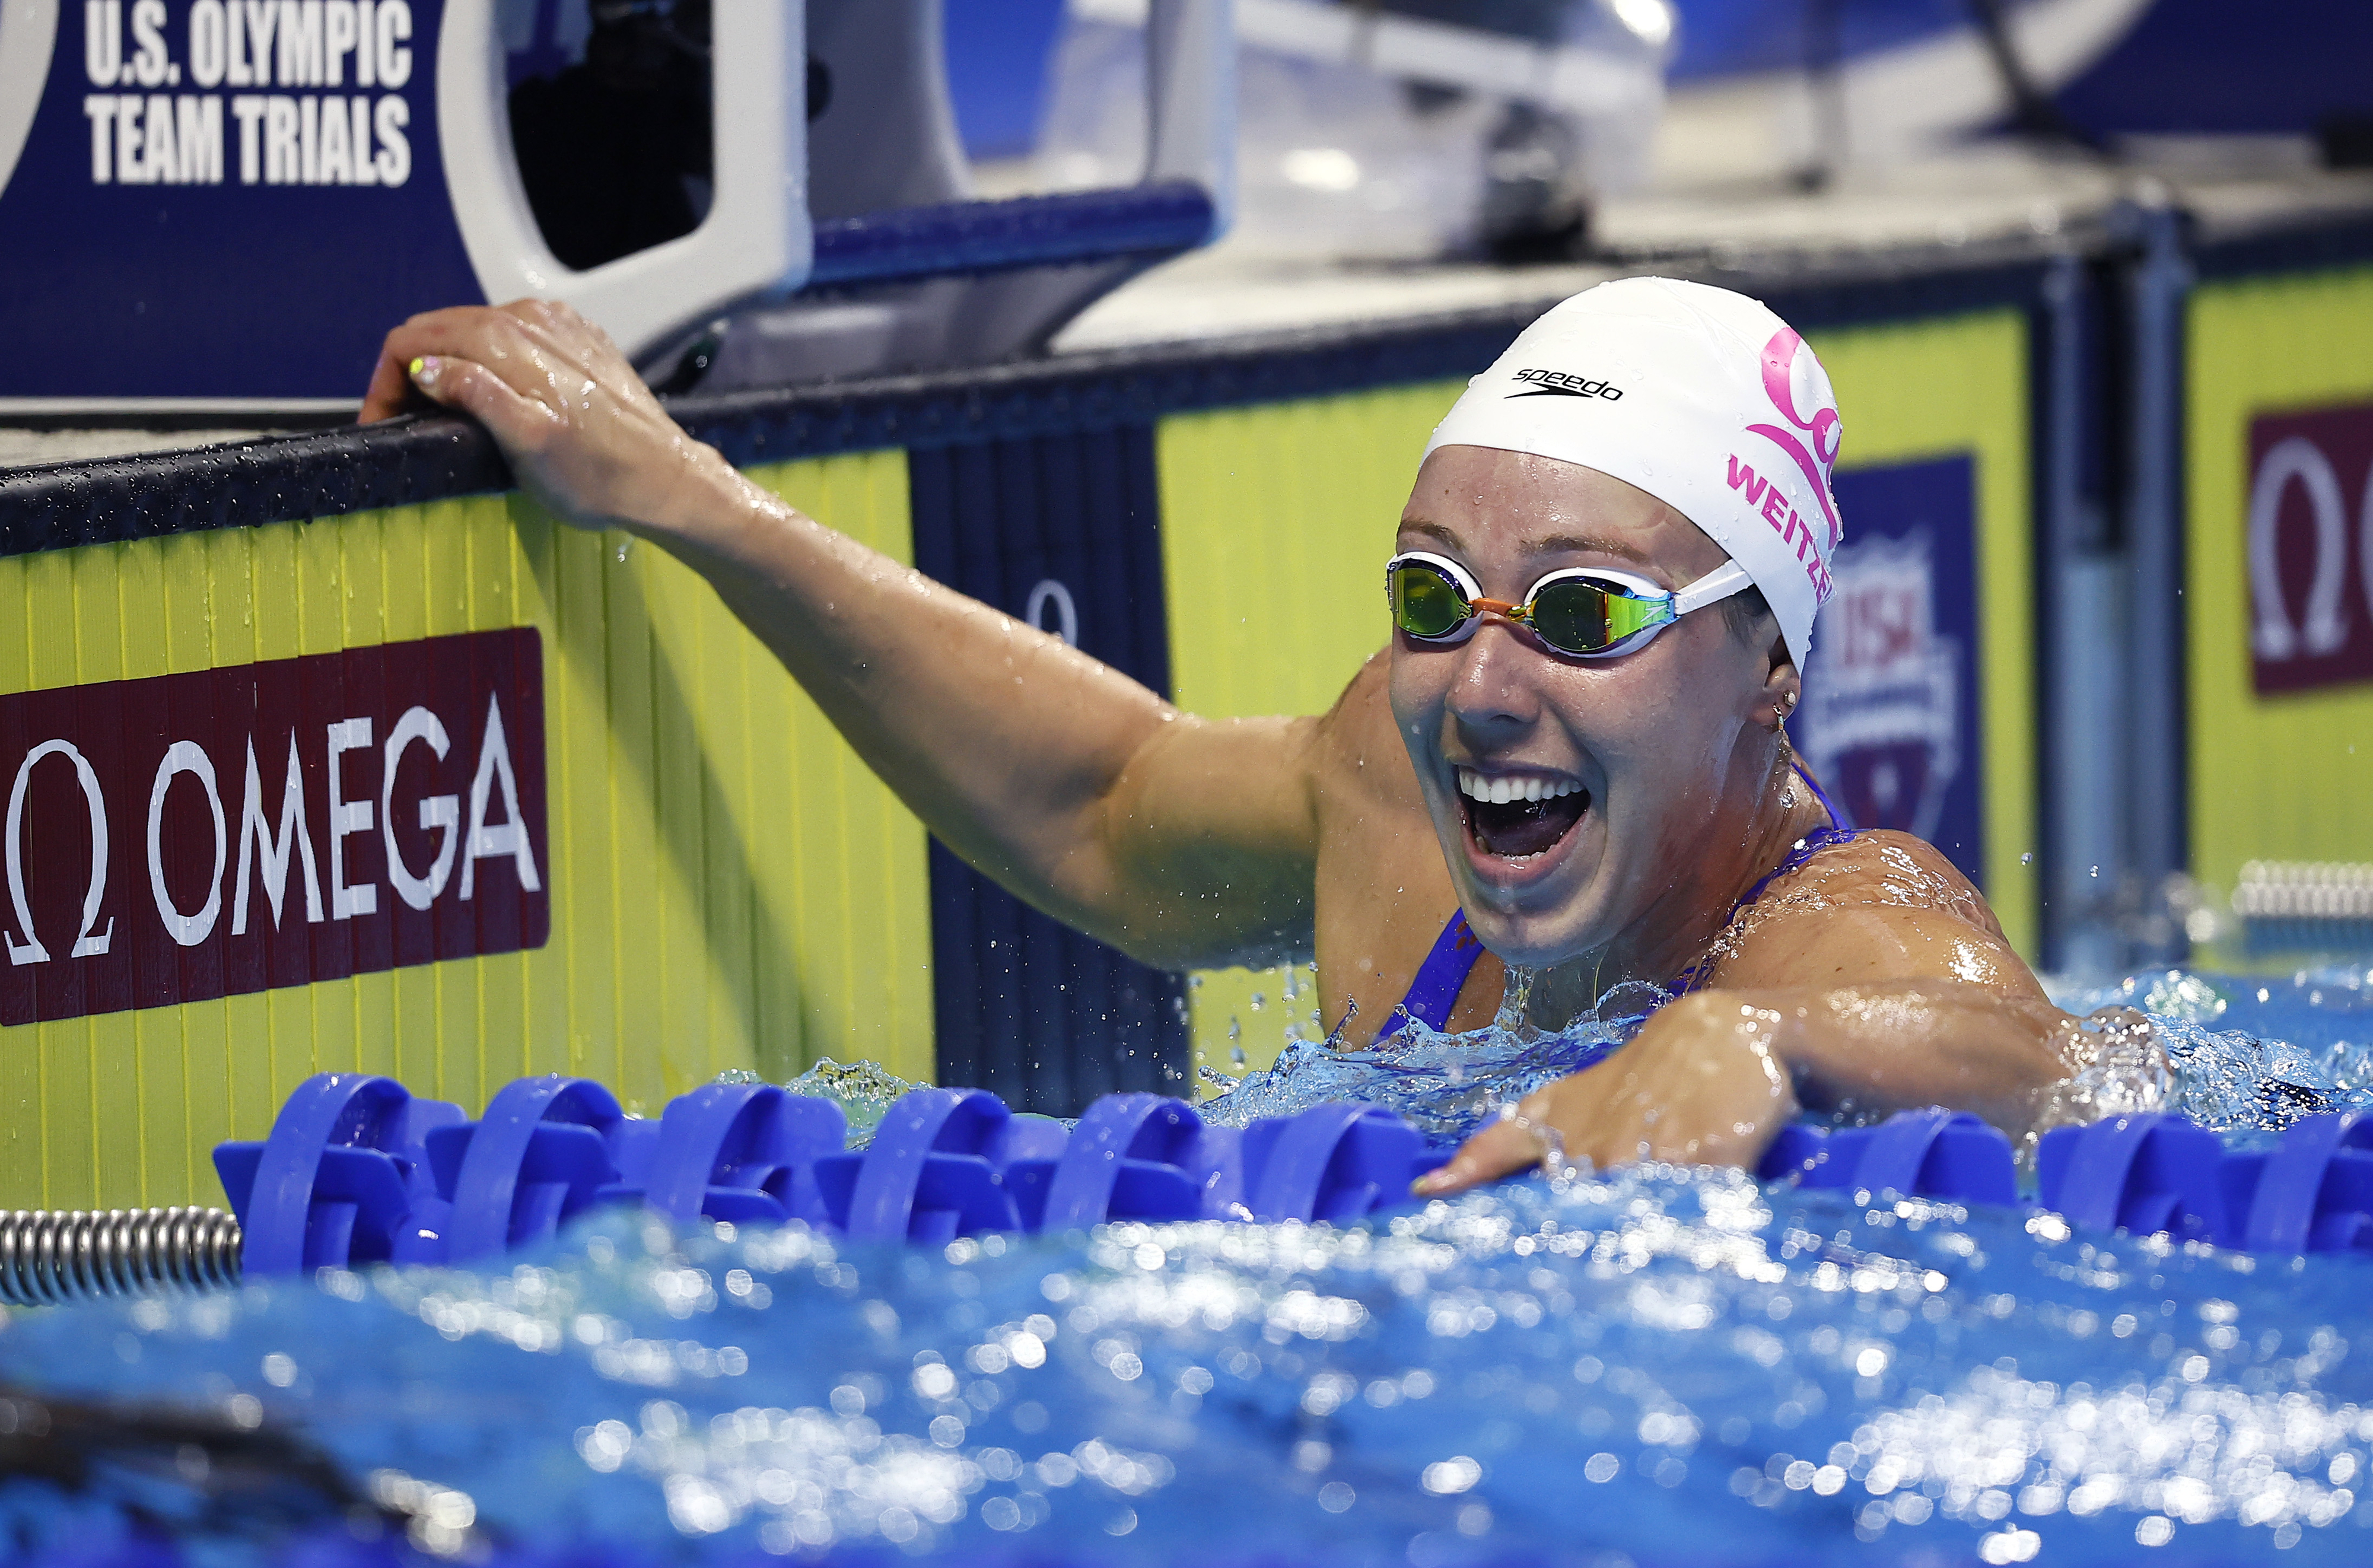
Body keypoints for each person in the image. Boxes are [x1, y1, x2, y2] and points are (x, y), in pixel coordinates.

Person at [359, 278, 2089, 1198]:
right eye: (1432, 596)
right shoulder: (1403, 813)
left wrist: (1775, 1047)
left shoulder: (1846, 923)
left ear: (1770, 665)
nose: (1482, 688)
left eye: (1581, 613)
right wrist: (685, 496)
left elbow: (2083, 1071)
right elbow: (1105, 797)